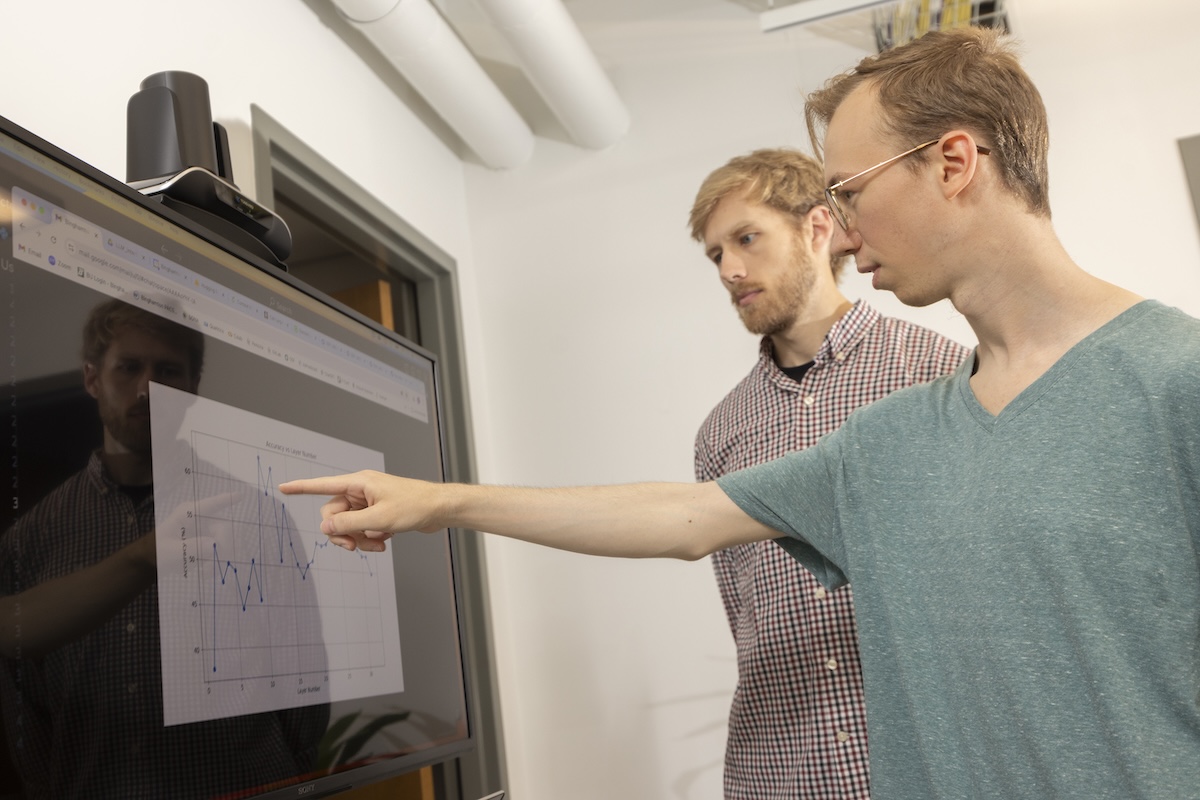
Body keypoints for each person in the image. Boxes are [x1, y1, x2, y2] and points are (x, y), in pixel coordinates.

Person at [280, 27, 1200, 799]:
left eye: (848, 191)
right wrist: (438, 502)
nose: (839, 225)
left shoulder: (1175, 380)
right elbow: (683, 518)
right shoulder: (893, 439)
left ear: (953, 162)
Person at [688, 148, 968, 799]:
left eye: (746, 238)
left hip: (935, 770)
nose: (730, 269)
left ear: (817, 229)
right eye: (715, 255)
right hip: (782, 777)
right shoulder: (719, 436)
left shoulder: (939, 373)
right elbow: (744, 618)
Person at [0, 298, 328, 799]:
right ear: (92, 378)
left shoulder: (255, 516)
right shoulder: (30, 539)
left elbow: (304, 691)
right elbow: (22, 703)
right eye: (129, 367)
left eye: (168, 371)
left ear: (192, 389)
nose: (146, 389)